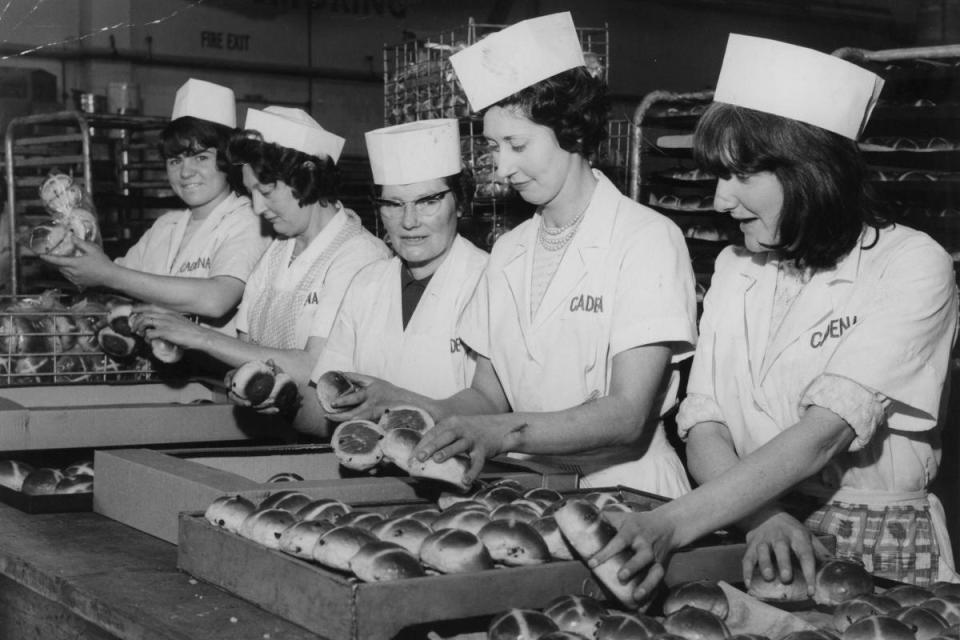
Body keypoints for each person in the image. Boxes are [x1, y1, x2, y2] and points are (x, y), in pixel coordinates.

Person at [591, 34, 960, 601]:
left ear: (811, 172)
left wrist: (674, 521)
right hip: (755, 528)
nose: (719, 200)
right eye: (717, 176)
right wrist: (759, 513)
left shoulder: (911, 265)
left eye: (741, 176)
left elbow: (823, 433)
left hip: (874, 546)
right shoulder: (739, 268)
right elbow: (705, 424)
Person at [394, 12, 698, 496]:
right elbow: (486, 395)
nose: (504, 167)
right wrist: (400, 407)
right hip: (529, 485)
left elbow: (626, 414)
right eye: (494, 147)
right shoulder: (510, 250)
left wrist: (502, 433)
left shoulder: (646, 239)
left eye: (518, 144)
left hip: (627, 489)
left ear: (572, 132)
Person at [131, 106, 389, 431]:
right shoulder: (277, 250)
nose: (257, 207)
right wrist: (238, 380)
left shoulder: (358, 255)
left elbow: (314, 367)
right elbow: (247, 350)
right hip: (275, 437)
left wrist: (199, 336)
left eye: (266, 191)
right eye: (251, 192)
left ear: (307, 175)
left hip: (329, 446)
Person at [296, 119, 489, 437]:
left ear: (460, 203)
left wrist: (392, 401)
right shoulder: (366, 284)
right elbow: (328, 409)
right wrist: (281, 399)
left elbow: (492, 408)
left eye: (428, 201)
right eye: (393, 204)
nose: (409, 221)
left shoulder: (489, 281)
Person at [41, 79, 271, 334]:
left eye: (201, 157)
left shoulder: (248, 220)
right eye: (174, 160)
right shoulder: (166, 226)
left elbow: (216, 300)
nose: (186, 172)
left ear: (229, 160)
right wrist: (71, 244)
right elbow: (112, 277)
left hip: (218, 372)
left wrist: (109, 275)